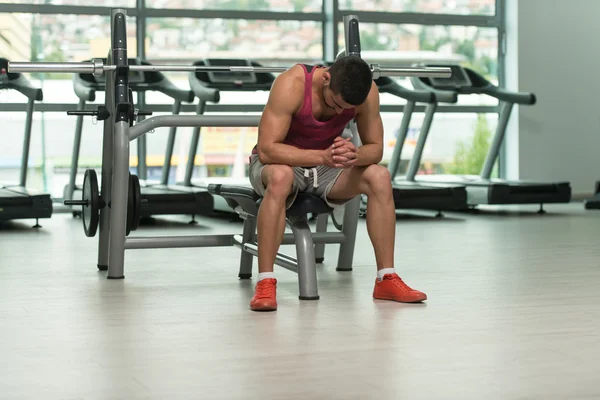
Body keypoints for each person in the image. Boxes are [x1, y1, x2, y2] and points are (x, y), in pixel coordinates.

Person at [248, 56, 427, 311]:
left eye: (346, 109)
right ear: (326, 78)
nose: (340, 113)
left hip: (327, 167)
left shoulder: (367, 94)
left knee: (379, 176)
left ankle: (386, 278)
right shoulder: (291, 84)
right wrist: (321, 156)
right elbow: (267, 151)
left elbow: (375, 150)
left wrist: (355, 154)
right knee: (280, 176)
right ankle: (266, 282)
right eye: (336, 103)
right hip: (280, 164)